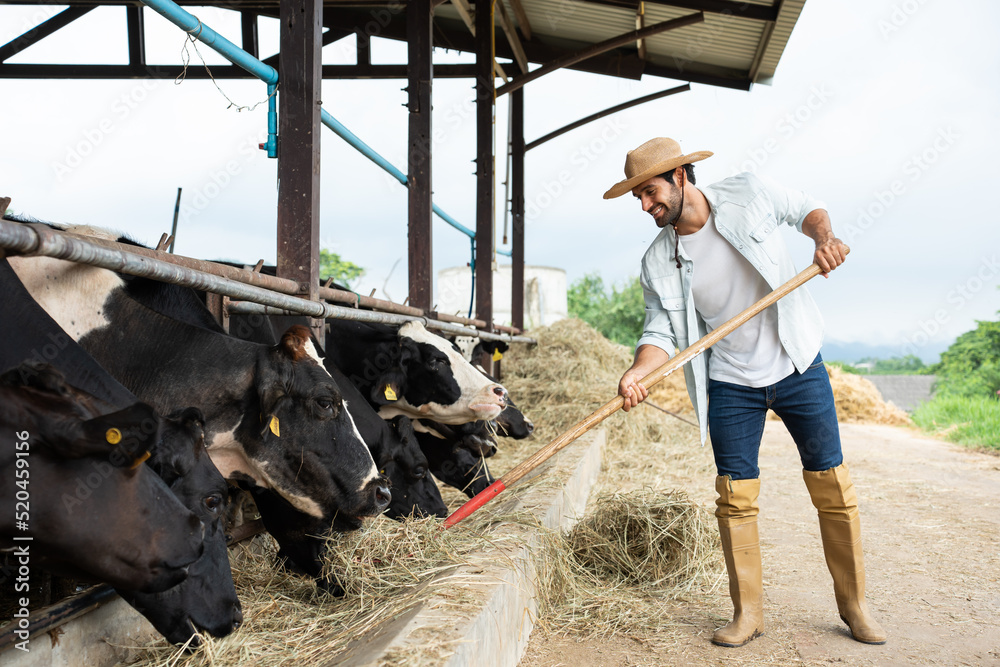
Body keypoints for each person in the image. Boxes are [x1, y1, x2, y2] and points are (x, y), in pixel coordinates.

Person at [605, 137, 886, 648]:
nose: (646, 206)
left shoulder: (749, 193)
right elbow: (660, 334)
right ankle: (748, 614)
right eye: (638, 199)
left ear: (681, 176)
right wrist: (638, 372)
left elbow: (806, 209)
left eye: (650, 192)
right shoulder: (656, 263)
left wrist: (823, 238)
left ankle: (854, 606)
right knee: (734, 498)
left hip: (798, 362)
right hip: (731, 382)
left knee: (832, 486)